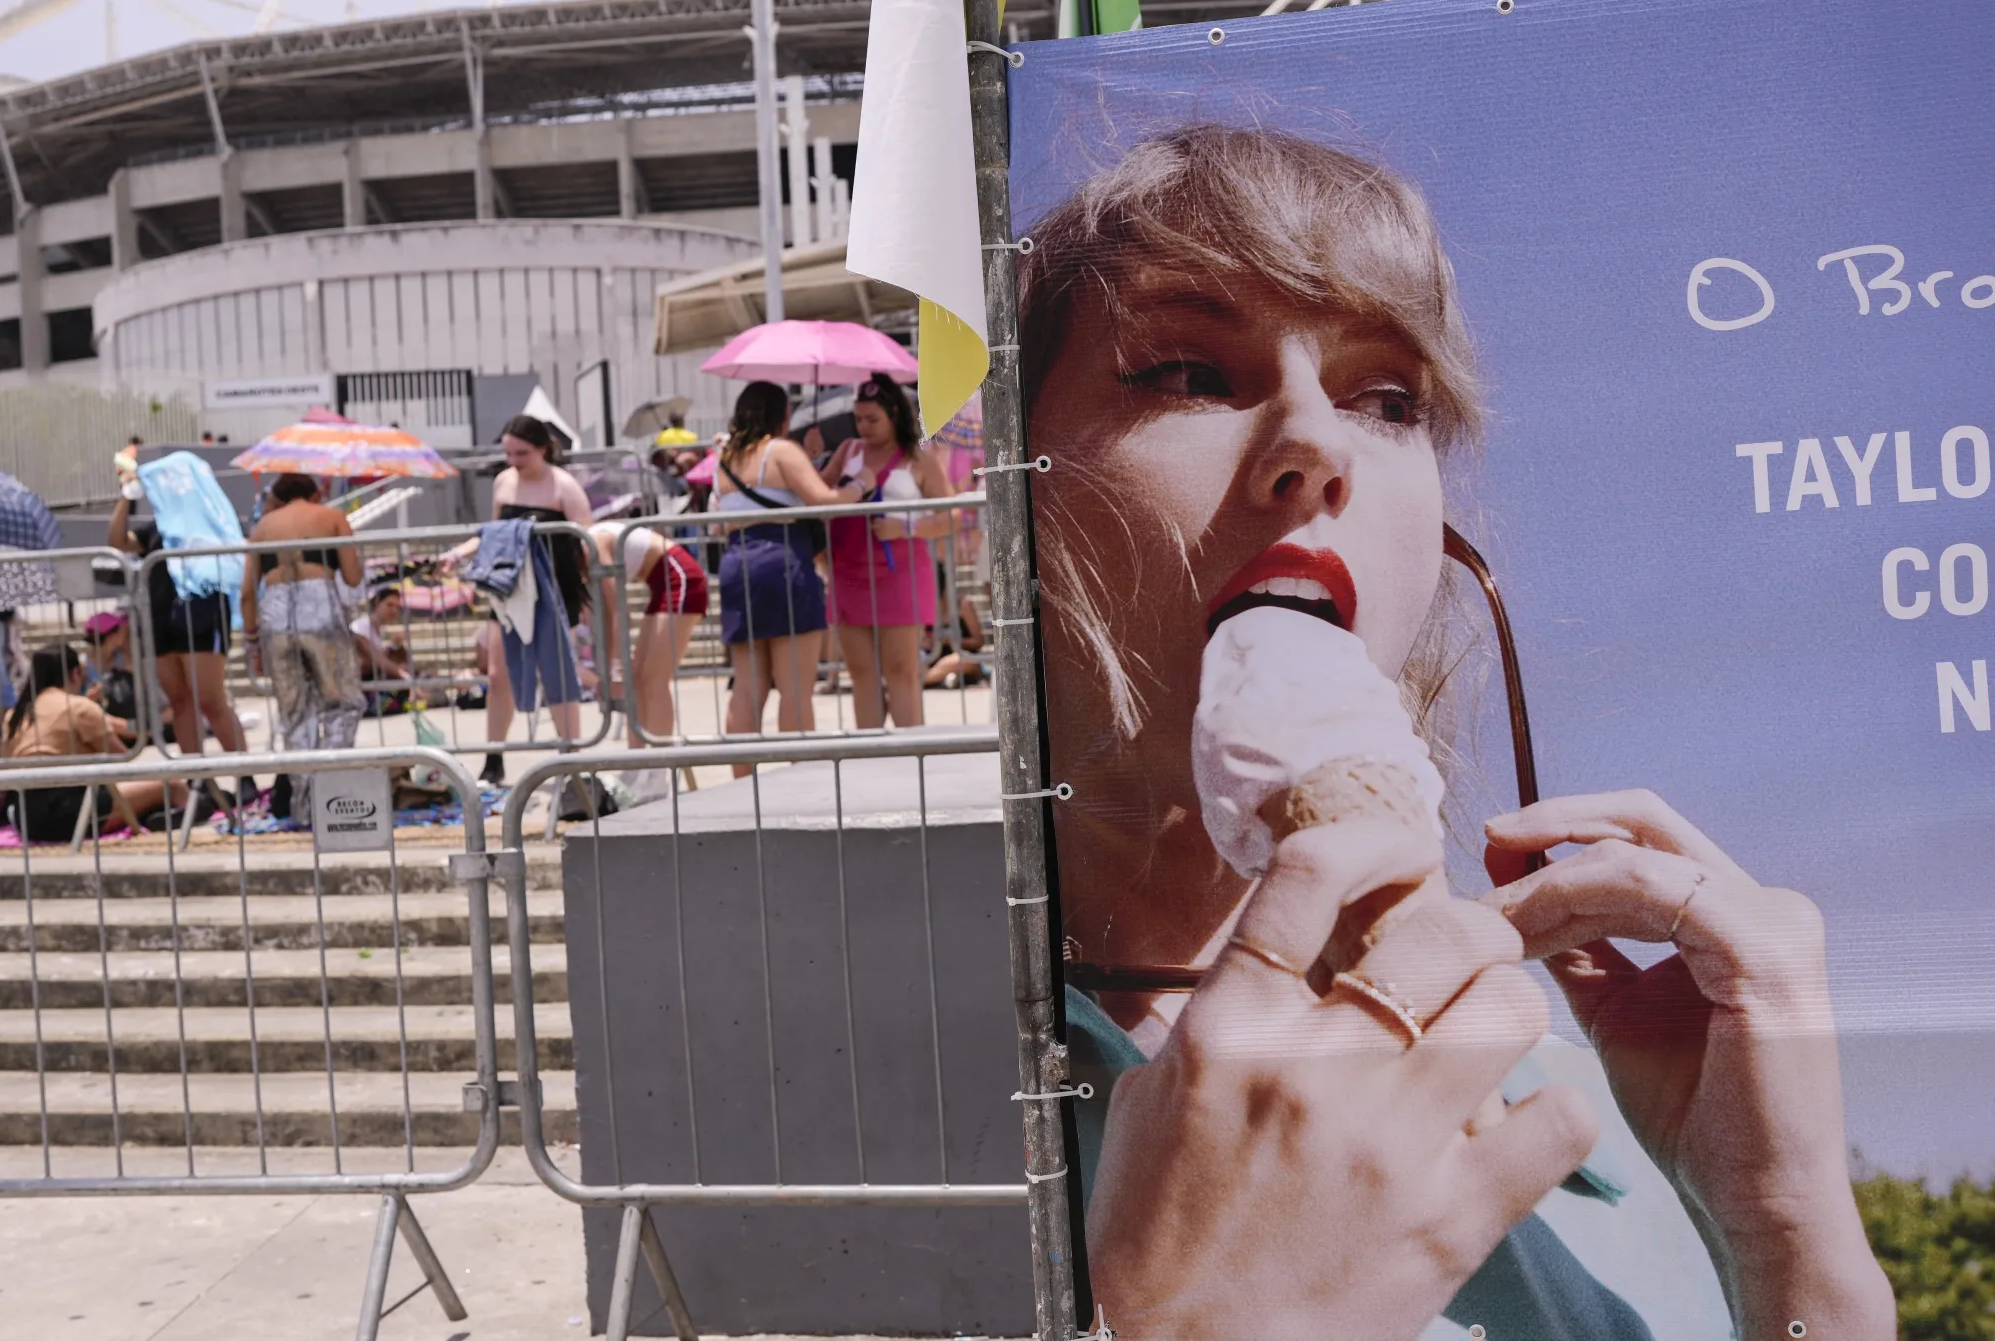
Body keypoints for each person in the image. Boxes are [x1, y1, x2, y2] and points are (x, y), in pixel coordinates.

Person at [1020, 126, 1893, 1340]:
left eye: (1385, 401)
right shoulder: (875, 1095)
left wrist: (1782, 1230)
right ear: (1012, 489)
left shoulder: (1585, 1089)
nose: (1315, 447)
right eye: (1187, 375)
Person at [713, 381, 874, 770]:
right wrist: (861, 483)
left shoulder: (725, 459)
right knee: (795, 687)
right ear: (782, 415)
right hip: (783, 560)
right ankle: (799, 778)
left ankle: (742, 783)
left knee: (747, 688)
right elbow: (823, 501)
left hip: (738, 562)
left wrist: (811, 462)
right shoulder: (782, 450)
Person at [446, 414, 593, 787]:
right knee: (499, 676)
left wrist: (590, 600)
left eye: (522, 453)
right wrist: (461, 552)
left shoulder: (564, 486)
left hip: (555, 592)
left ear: (543, 449)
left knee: (558, 676)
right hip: (509, 591)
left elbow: (587, 543)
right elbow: (495, 536)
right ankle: (494, 757)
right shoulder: (503, 482)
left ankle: (570, 761)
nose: (513, 460)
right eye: (508, 452)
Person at [107, 465, 250, 793]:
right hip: (161, 622)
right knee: (180, 701)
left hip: (202, 617)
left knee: (211, 701)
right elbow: (117, 541)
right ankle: (198, 779)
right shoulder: (156, 528)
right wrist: (126, 495)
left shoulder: (212, 522)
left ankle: (245, 777)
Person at [824, 375, 956, 729]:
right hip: (848, 570)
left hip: (901, 572)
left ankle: (912, 761)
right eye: (858, 419)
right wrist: (809, 458)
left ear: (895, 414)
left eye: (872, 419)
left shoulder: (918, 458)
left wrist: (907, 527)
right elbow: (818, 496)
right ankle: (872, 760)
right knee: (862, 673)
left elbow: (949, 516)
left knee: (902, 672)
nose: (864, 427)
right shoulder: (847, 452)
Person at [240, 474, 365, 820]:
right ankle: (334, 799)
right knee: (342, 705)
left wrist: (253, 645)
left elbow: (247, 593)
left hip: (275, 613)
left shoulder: (263, 527)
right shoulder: (331, 517)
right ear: (316, 493)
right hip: (318, 604)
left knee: (295, 716)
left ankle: (305, 807)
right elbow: (353, 577)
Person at [0, 645, 185, 839]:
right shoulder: (80, 707)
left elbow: (121, 725)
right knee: (173, 785)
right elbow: (122, 756)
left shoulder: (16, 715)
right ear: (74, 674)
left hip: (26, 816)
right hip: (70, 811)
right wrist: (155, 722)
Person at [590, 520, 707, 748]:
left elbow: (619, 612)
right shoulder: (588, 546)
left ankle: (659, 767)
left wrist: (614, 670)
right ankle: (638, 762)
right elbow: (608, 614)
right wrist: (609, 670)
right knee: (637, 680)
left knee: (654, 680)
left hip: (680, 577)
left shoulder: (595, 544)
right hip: (661, 582)